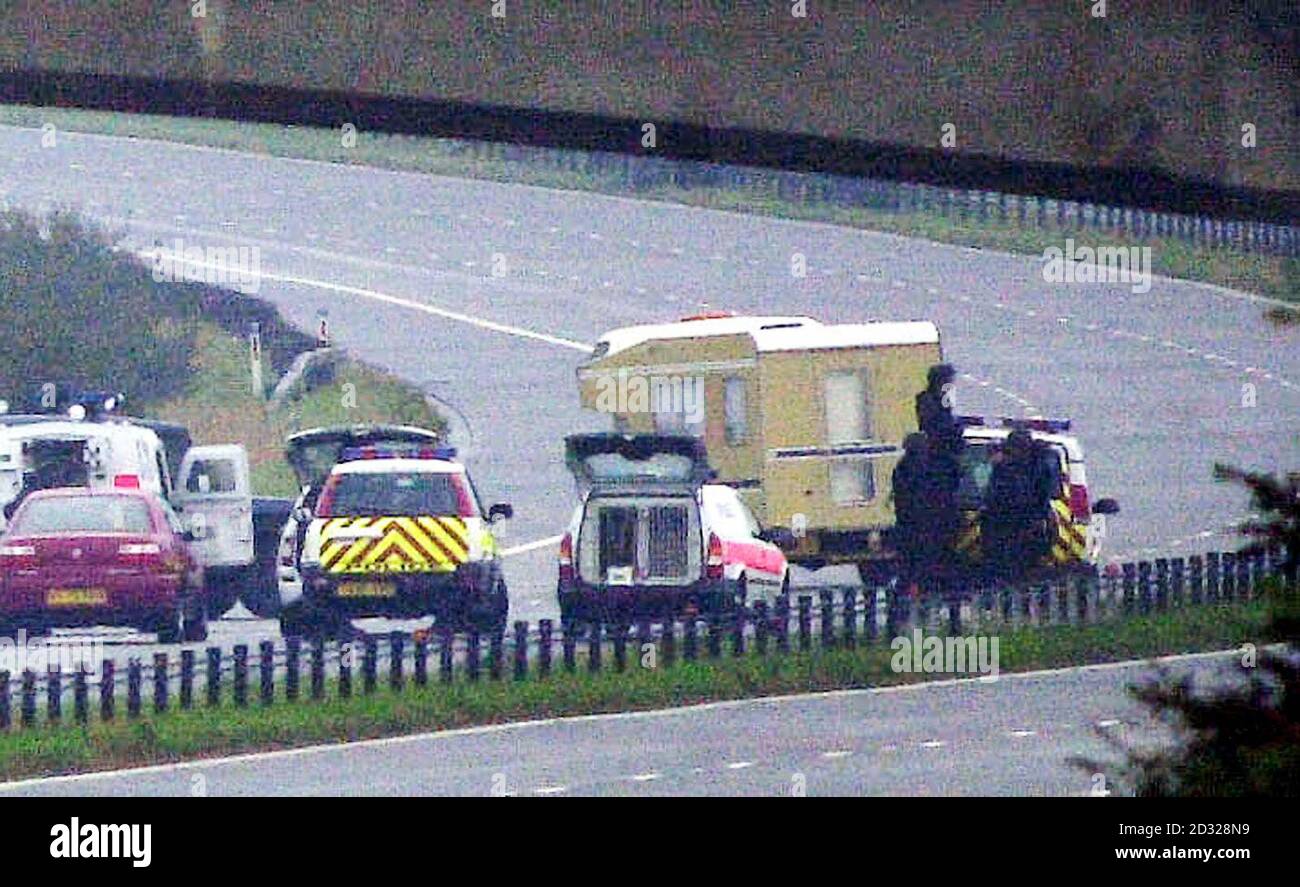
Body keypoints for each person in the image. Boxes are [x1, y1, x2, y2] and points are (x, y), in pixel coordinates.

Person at [982, 428, 1053, 581]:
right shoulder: (1039, 465)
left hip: (1013, 530)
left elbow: (1001, 497)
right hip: (1026, 530)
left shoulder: (1012, 469)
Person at [915, 364, 961, 454]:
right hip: (937, 447)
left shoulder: (943, 398)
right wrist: (958, 425)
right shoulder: (927, 400)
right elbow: (936, 424)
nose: (952, 382)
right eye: (949, 379)